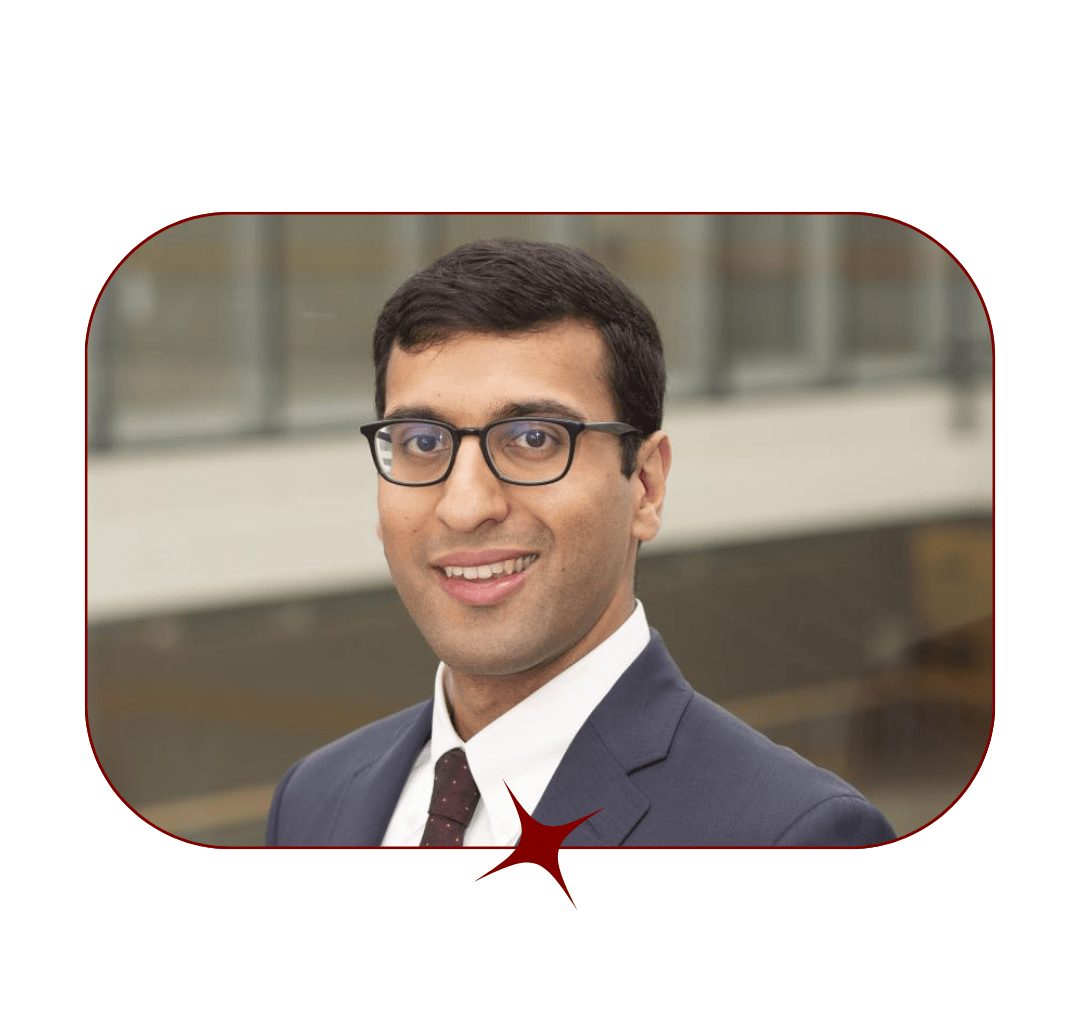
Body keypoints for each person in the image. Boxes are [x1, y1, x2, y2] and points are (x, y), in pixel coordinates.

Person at [266, 238, 896, 847]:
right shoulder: (313, 800)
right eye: (423, 443)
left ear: (645, 486)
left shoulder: (792, 839)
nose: (464, 507)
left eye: (534, 438)